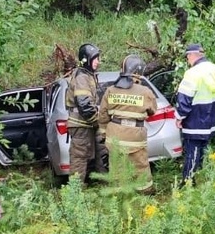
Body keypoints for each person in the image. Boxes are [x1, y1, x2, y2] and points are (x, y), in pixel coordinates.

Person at [98, 54, 157, 194]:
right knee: (141, 166)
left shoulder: (111, 90)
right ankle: (145, 192)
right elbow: (152, 111)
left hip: (115, 137)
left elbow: (103, 115)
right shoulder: (145, 92)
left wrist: (104, 133)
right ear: (138, 72)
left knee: (117, 168)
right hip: (135, 137)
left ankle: (118, 196)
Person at [175, 43, 215, 186]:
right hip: (210, 120)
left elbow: (184, 99)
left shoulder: (193, 73)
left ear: (191, 55)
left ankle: (187, 183)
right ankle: (203, 179)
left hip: (195, 120)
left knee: (193, 152)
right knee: (203, 151)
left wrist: (179, 117)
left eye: (187, 57)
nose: (187, 61)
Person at [65, 43, 101, 184]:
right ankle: (75, 195)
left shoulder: (88, 75)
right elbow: (84, 104)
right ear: (86, 59)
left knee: (91, 156)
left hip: (85, 124)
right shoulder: (82, 77)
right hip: (81, 125)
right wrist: (97, 121)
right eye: (95, 58)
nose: (98, 61)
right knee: (79, 158)